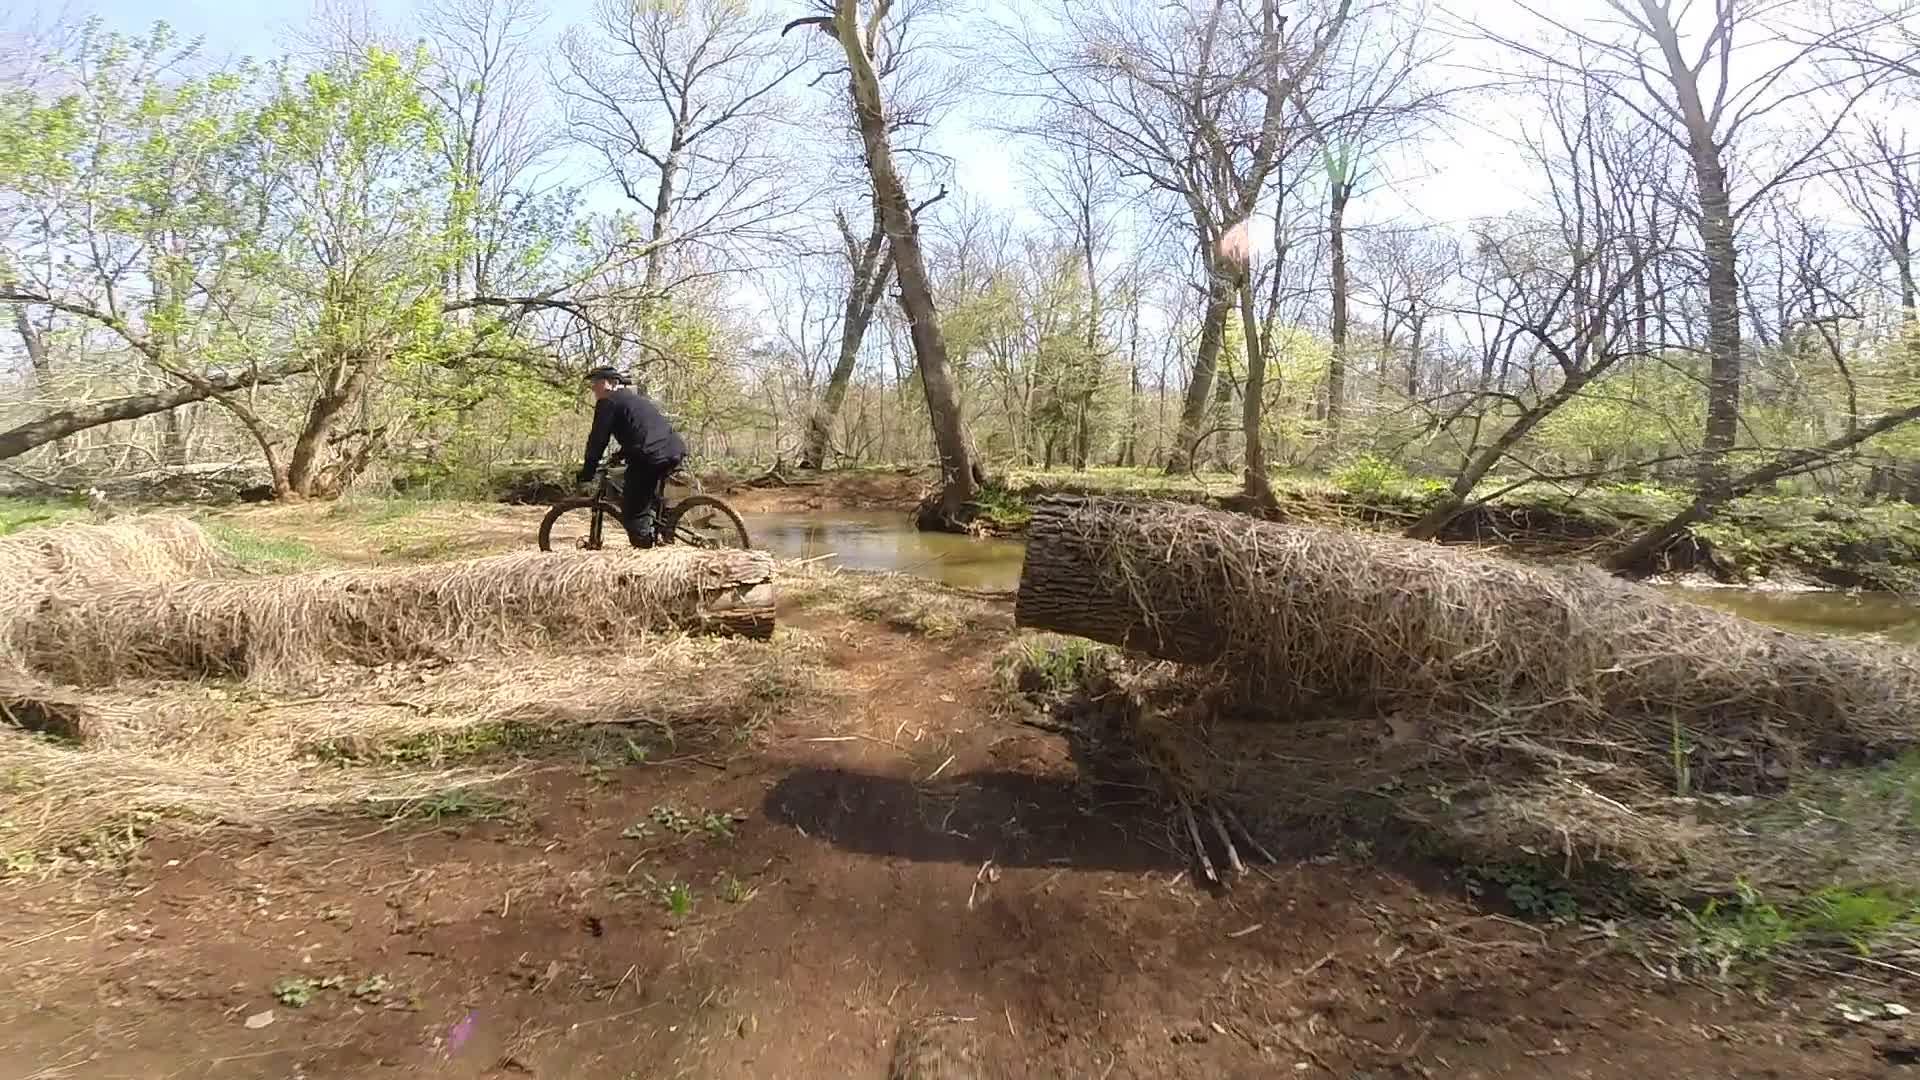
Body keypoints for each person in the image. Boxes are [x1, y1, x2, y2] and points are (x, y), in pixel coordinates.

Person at [577, 366, 687, 548]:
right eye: (592, 383)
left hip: (651, 456)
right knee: (643, 494)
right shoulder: (635, 400)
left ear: (612, 383)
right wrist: (620, 455)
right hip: (673, 449)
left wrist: (587, 473)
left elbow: (597, 440)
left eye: (598, 382)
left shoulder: (608, 402)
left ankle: (644, 553)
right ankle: (664, 523)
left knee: (632, 509)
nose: (593, 387)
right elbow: (641, 432)